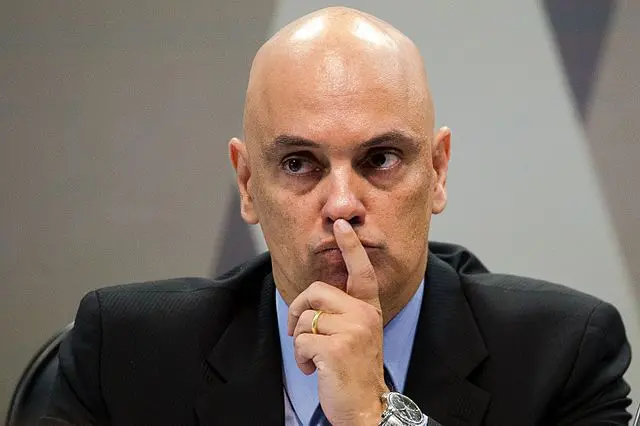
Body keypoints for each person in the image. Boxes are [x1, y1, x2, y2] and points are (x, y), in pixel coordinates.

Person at [41, 6, 632, 426]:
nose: (343, 203)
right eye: (299, 163)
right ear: (247, 184)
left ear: (437, 171)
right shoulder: (124, 353)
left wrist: (379, 416)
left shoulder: (562, 356)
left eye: (381, 158)